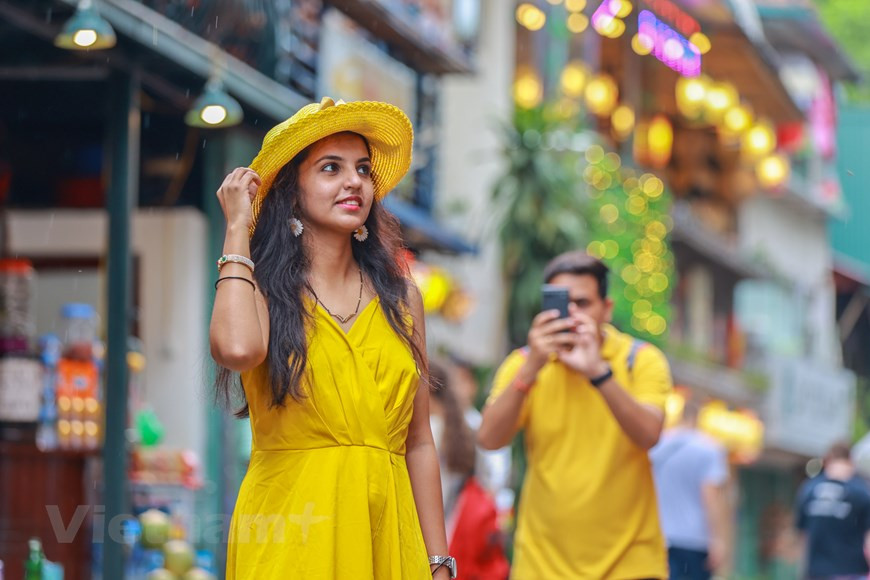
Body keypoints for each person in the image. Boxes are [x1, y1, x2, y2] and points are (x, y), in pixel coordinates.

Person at [209, 96, 454, 579]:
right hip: (290, 534)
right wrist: (239, 227)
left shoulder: (403, 298)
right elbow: (237, 350)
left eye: (363, 169)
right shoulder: (258, 287)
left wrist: (439, 562)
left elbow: (419, 442)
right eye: (330, 168)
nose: (354, 182)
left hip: (388, 534)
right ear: (291, 192)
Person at [478, 250, 673, 579]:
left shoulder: (640, 360)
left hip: (630, 565)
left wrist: (598, 373)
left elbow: (649, 435)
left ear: (606, 309)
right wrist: (530, 370)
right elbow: (489, 438)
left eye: (583, 303)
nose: (571, 314)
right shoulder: (523, 364)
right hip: (541, 567)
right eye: (560, 303)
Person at [650, 396, 730, 580]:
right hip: (694, 540)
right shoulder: (708, 448)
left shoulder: (658, 444)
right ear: (698, 418)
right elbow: (710, 496)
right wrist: (718, 539)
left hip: (658, 536)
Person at [795, 441, 870, 580]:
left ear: (826, 461)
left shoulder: (809, 490)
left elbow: (803, 537)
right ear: (850, 461)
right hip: (851, 571)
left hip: (816, 572)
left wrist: (803, 571)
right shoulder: (861, 492)